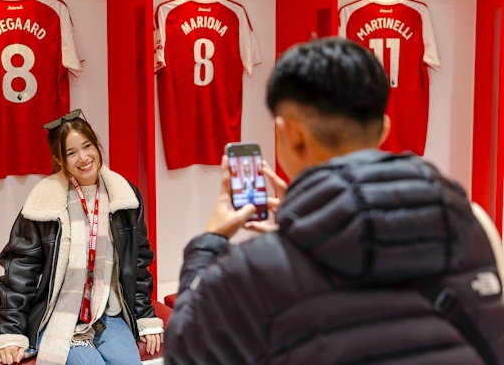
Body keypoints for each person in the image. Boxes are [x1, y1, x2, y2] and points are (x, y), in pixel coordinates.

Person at [164, 37, 504, 364]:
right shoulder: (473, 226)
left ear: (291, 135)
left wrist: (209, 243)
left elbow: (185, 352)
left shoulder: (253, 269)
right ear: (384, 129)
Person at [0, 109, 163, 364]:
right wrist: (10, 333)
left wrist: (145, 317)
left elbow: (137, 263)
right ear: (60, 160)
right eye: (71, 153)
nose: (83, 158)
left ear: (96, 144)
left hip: (108, 311)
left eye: (87, 145)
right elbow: (20, 270)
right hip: (60, 313)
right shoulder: (44, 202)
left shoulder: (125, 197)